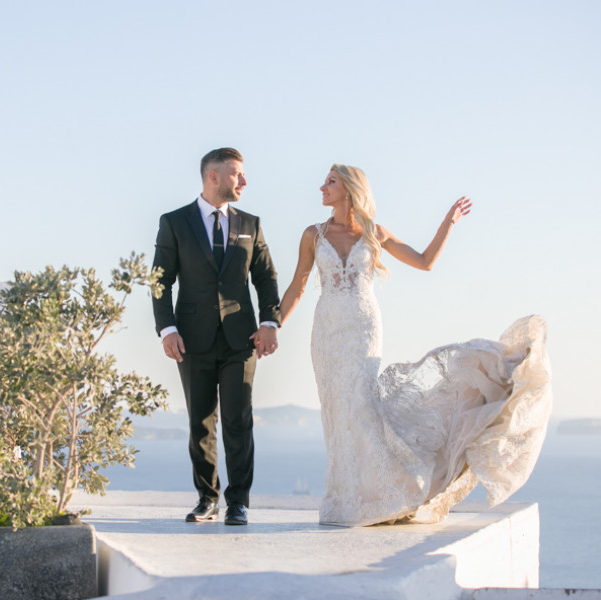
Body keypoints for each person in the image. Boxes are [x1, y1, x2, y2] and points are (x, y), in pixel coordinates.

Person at [279, 164, 552, 526]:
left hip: (363, 329)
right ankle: (349, 497)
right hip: (327, 332)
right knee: (337, 411)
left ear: (350, 189)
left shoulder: (375, 232)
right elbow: (298, 286)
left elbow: (425, 262)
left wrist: (448, 223)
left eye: (331, 181)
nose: (322, 187)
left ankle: (383, 494)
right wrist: (272, 325)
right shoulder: (312, 234)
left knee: (361, 406)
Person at [152, 147, 281, 525]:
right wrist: (167, 329)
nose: (244, 181)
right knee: (201, 422)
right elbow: (160, 280)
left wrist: (270, 324)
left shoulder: (250, 224)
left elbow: (266, 277)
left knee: (239, 421)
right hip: (191, 339)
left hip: (242, 340)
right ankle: (207, 499)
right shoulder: (174, 222)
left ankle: (238, 502)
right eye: (237, 174)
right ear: (214, 176)